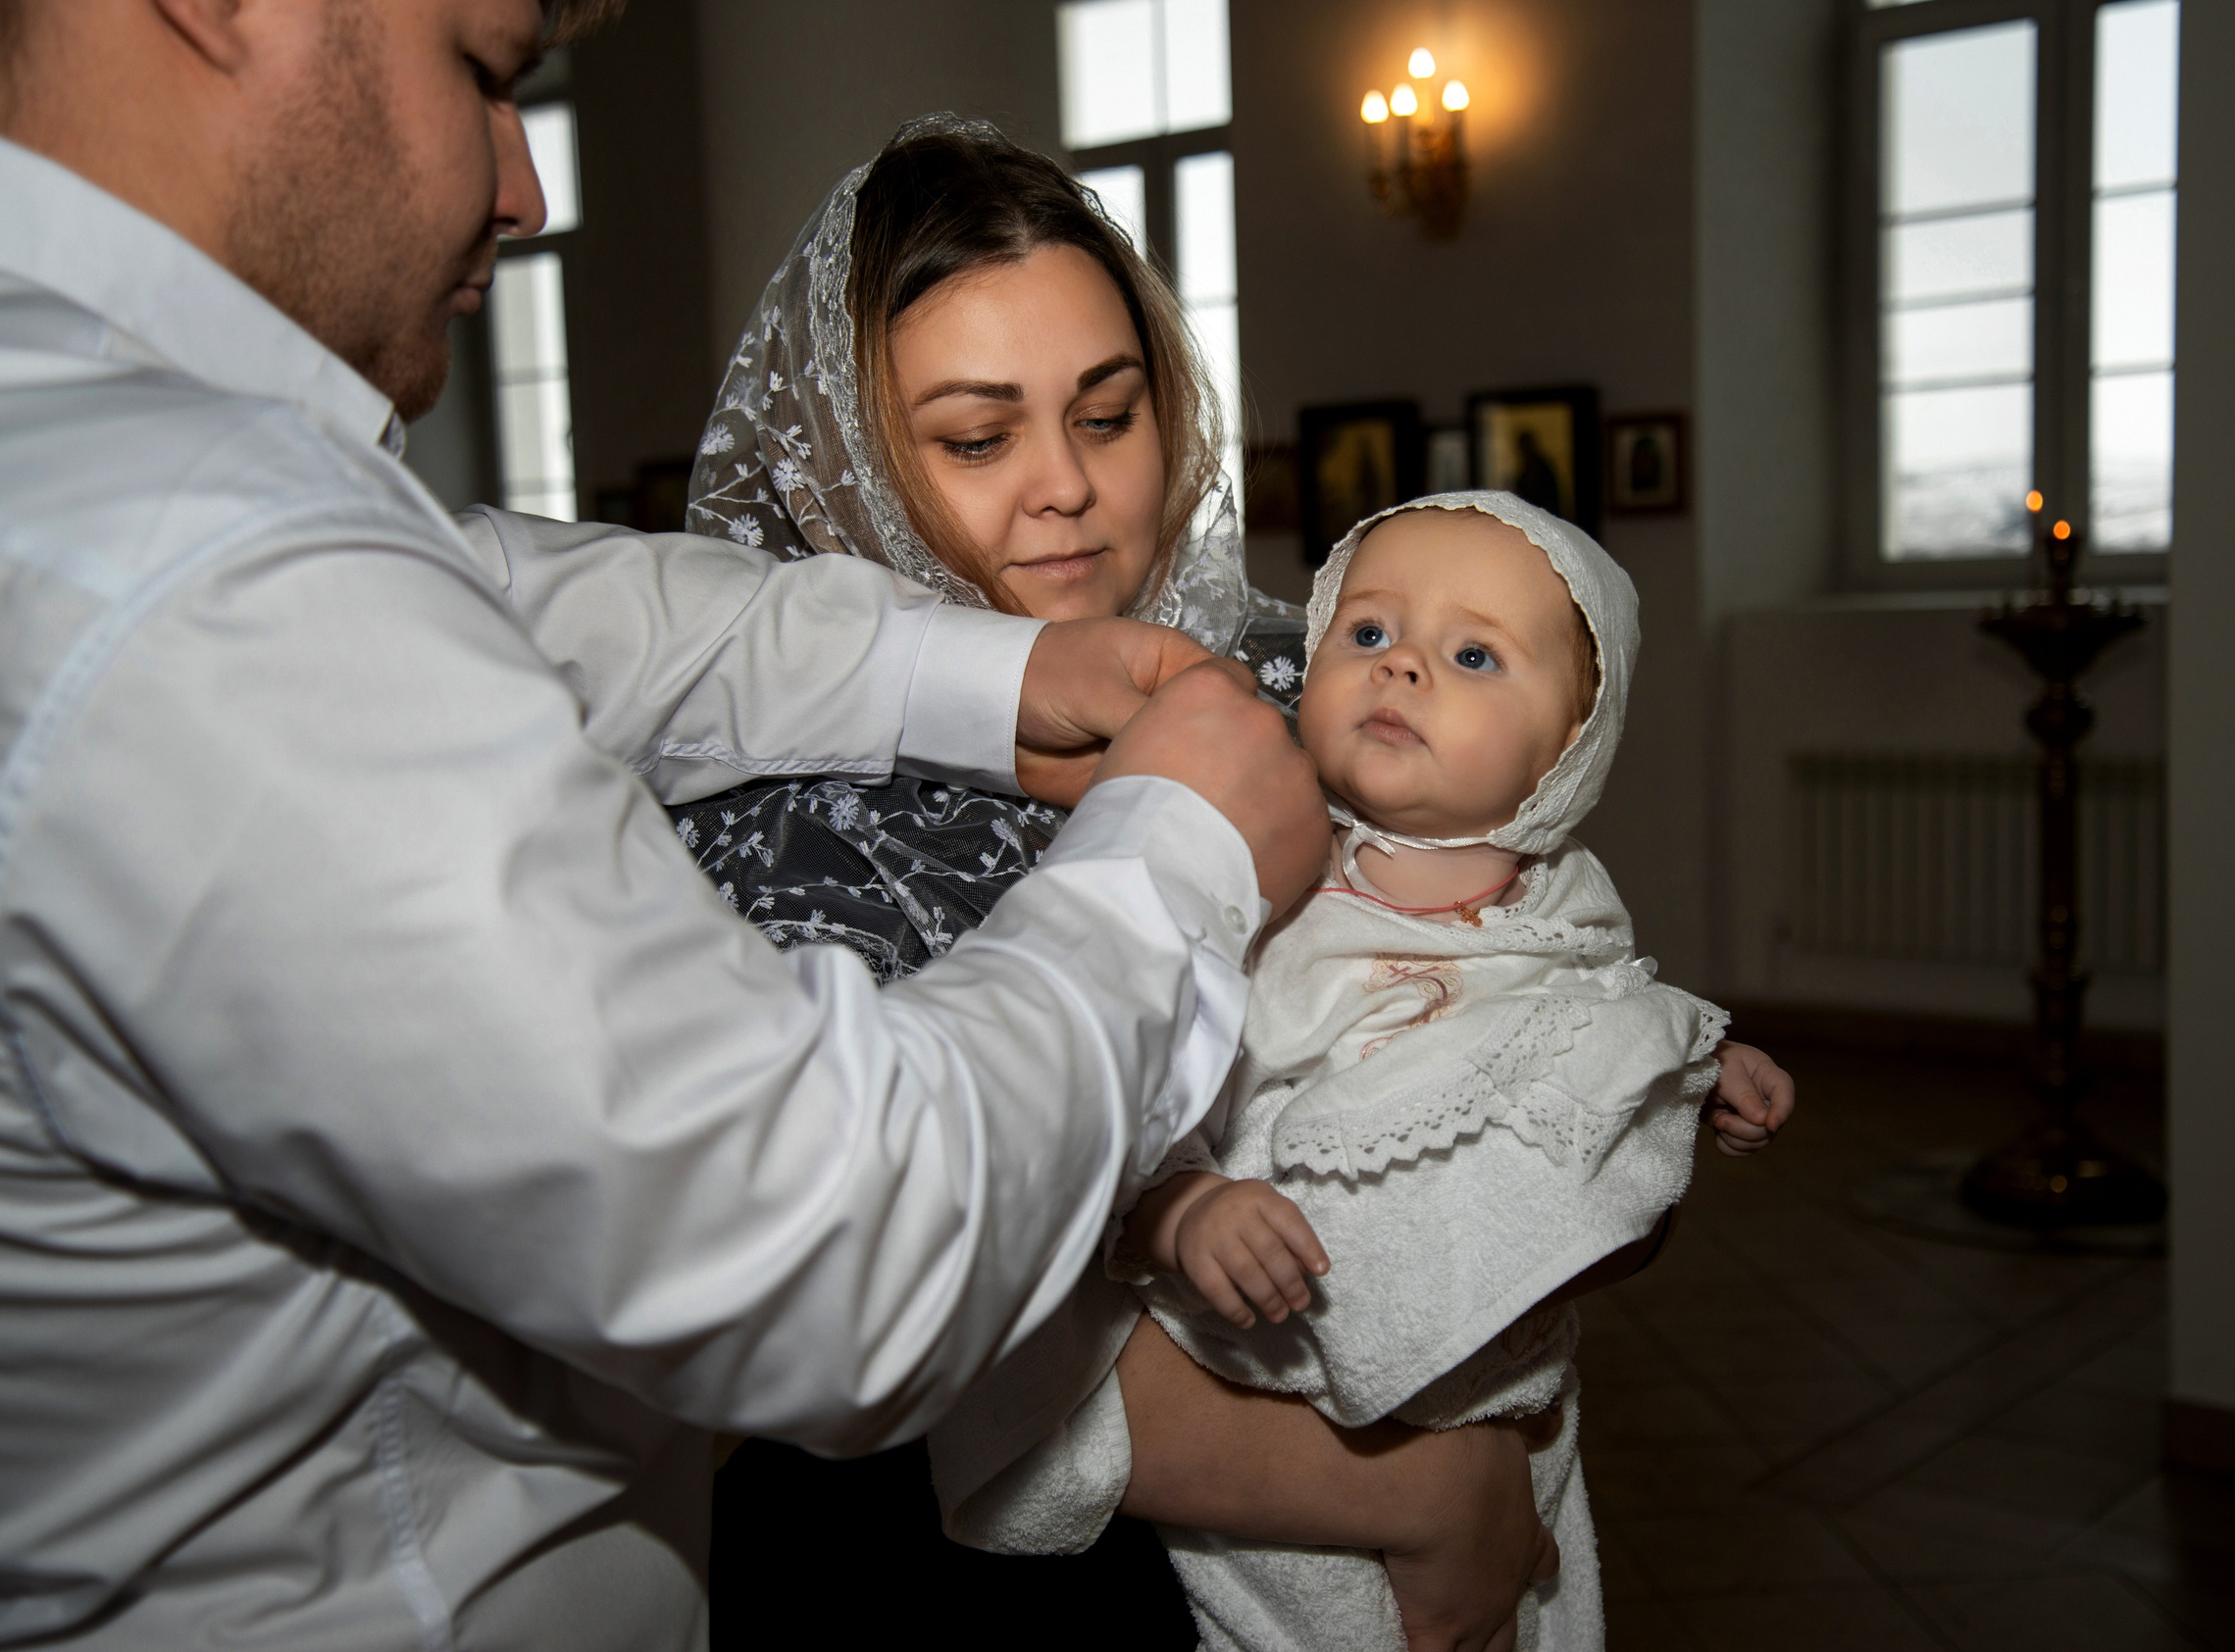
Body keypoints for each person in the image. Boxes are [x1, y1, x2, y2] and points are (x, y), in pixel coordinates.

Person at [0, 3, 1364, 1647]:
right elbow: (832, 1250)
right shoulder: (196, 572)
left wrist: (1010, 677)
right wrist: (1184, 845)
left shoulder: (138, 463)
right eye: (485, 72)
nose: (525, 186)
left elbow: (556, 600)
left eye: (1103, 408)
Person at [673, 123, 1798, 1650]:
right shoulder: (786, 830)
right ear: (852, 464)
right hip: (978, 1576)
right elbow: (906, 1290)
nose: (1067, 489)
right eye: (977, 436)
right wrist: (1419, 1497)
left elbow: (1502, 1003)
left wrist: (1622, 1112)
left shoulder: (1308, 670)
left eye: (1109, 411)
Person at [943, 493, 1788, 1650]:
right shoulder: (1255, 860)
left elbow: (1601, 1023)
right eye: (1369, 633)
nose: (1401, 672)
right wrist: (1180, 1201)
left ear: (1571, 744)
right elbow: (1145, 1058)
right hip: (1260, 1381)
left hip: (1499, 1398)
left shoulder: (1565, 903)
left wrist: (1690, 1071)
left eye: (1474, 654)